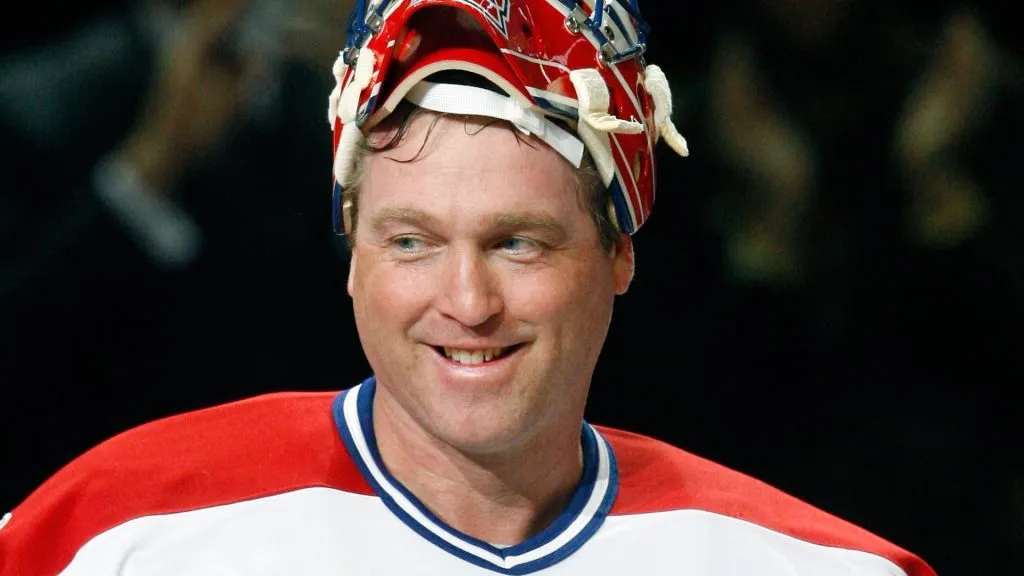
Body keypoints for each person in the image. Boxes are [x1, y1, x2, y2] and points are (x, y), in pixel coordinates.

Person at [0, 1, 938, 574]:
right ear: (354, 254)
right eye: (411, 241)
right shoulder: (112, 536)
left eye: (518, 244)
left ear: (619, 255)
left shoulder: (809, 568)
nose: (467, 300)